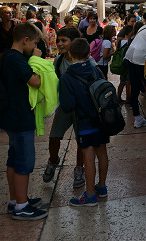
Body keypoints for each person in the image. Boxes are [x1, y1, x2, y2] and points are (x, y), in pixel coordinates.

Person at [0, 22, 48, 220]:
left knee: (13, 159)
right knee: (24, 162)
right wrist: (36, 60)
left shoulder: (8, 56)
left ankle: (15, 200)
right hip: (20, 116)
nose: (35, 47)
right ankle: (22, 206)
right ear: (25, 40)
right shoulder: (16, 59)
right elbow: (35, 80)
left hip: (11, 115)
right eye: (34, 43)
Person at [42, 27, 95, 188]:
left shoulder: (88, 61)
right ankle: (53, 161)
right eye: (58, 40)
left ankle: (79, 168)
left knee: (81, 139)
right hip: (65, 106)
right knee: (54, 136)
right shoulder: (58, 61)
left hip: (82, 109)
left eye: (63, 40)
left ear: (74, 42)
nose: (59, 43)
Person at [60, 38, 110, 207]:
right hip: (101, 120)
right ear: (89, 54)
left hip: (84, 122)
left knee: (88, 158)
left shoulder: (67, 77)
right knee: (102, 153)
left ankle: (90, 195)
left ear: (69, 54)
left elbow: (67, 105)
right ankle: (102, 187)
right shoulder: (95, 70)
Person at [116, 25, 134, 103]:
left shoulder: (120, 41)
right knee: (128, 82)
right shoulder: (130, 42)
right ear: (130, 32)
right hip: (128, 63)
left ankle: (118, 97)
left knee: (122, 81)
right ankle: (128, 99)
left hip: (121, 64)